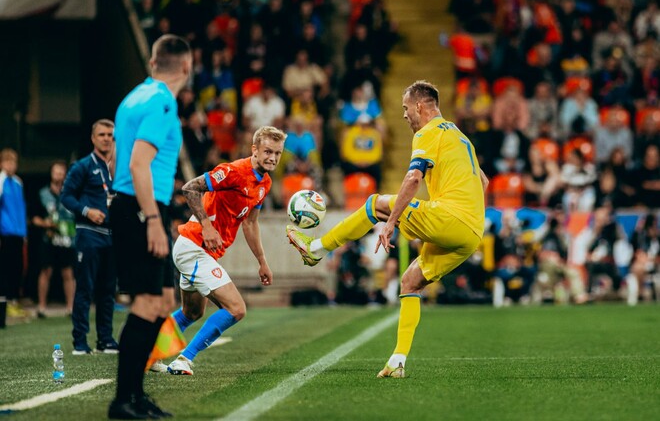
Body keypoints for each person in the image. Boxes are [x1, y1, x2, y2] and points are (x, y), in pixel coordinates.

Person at [287, 80, 487, 378]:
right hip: (472, 232)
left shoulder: (427, 132)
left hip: (452, 217)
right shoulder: (459, 135)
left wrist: (391, 222)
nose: (404, 115)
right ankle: (397, 361)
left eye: (406, 108)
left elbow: (413, 179)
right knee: (410, 282)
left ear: (420, 106)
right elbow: (483, 181)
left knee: (377, 204)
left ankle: (316, 249)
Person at [150, 126, 286, 376]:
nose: (273, 158)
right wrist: (206, 225)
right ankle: (184, 359)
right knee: (236, 309)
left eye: (277, 153)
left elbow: (251, 222)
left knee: (192, 312)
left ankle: (149, 353)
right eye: (268, 151)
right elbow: (190, 188)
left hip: (200, 250)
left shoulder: (264, 182)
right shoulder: (233, 171)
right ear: (254, 150)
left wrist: (262, 261)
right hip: (194, 245)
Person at [107, 34, 191, 420]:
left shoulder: (133, 97)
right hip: (142, 209)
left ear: (153, 62)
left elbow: (116, 161)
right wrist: (153, 219)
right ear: (186, 67)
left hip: (131, 204)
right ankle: (124, 400)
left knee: (164, 302)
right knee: (146, 303)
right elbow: (139, 163)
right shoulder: (162, 102)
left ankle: (136, 396)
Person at [61, 119, 119, 355]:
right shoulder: (82, 166)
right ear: (93, 138)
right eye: (102, 134)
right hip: (89, 234)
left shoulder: (119, 168)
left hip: (112, 236)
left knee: (107, 290)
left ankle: (105, 339)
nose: (106, 138)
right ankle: (80, 341)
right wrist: (86, 211)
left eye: (110, 135)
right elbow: (66, 196)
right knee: (85, 288)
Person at [32, 161, 76, 318]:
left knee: (68, 272)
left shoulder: (71, 193)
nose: (59, 175)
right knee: (46, 271)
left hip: (68, 240)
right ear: (51, 174)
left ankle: (71, 307)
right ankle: (42, 306)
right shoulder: (42, 193)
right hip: (48, 239)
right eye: (56, 172)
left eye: (61, 172)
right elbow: (34, 218)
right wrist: (45, 223)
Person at [0, 148, 28, 327]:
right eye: (8, 162)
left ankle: (14, 301)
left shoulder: (18, 182)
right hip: (5, 233)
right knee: (6, 267)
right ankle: (6, 302)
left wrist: (25, 233)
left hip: (19, 233)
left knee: (17, 268)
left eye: (14, 162)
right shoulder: (1, 181)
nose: (11, 166)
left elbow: (21, 208)